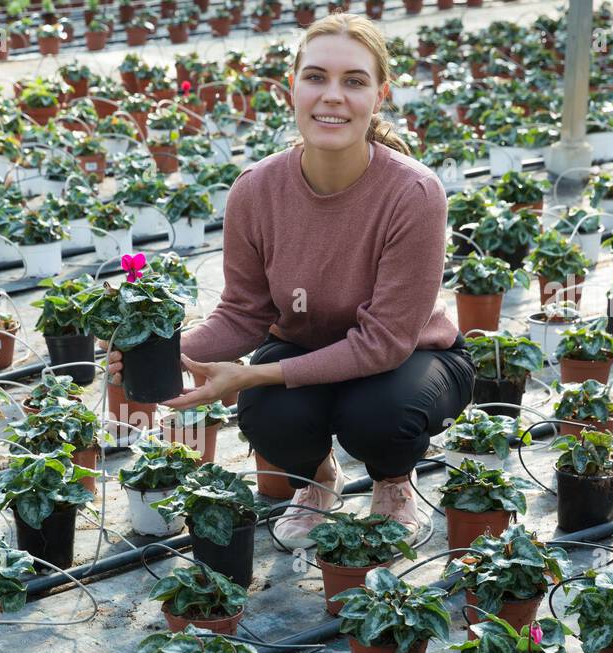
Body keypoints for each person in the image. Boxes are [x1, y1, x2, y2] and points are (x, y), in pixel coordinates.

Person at [107, 12, 474, 548]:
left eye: (354, 81)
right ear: (293, 89)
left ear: (380, 96)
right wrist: (159, 351)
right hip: (303, 346)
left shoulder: (412, 193)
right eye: (316, 77)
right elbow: (243, 313)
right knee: (267, 414)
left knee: (378, 415)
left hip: (409, 359)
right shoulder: (256, 190)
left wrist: (253, 375)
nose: (332, 96)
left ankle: (393, 481)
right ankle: (319, 479)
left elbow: (384, 343)